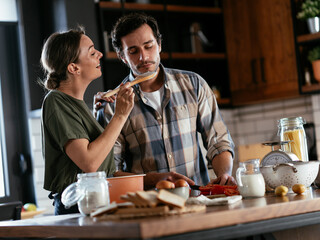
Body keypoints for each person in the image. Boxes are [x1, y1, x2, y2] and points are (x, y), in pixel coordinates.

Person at [94, 13, 235, 189]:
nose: (143, 57)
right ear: (122, 56)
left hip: (198, 198)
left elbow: (218, 141)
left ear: (159, 45)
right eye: (133, 51)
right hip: (148, 205)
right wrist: (153, 179)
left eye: (148, 46)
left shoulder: (194, 84)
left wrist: (224, 175)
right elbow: (110, 172)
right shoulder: (112, 105)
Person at [40, 27, 134, 215]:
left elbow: (101, 168)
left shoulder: (77, 105)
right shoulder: (55, 101)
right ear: (74, 68)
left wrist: (151, 179)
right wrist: (120, 115)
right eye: (92, 52)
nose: (99, 53)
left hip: (95, 202)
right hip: (77, 208)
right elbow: (89, 163)